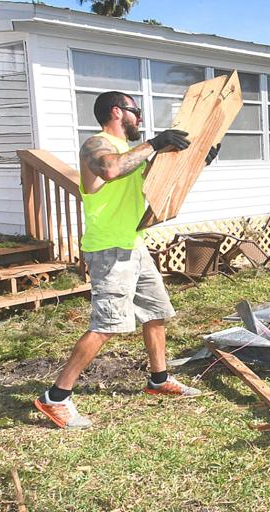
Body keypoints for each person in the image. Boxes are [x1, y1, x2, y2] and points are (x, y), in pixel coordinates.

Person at [33, 91, 201, 430]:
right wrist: (154, 143)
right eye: (135, 111)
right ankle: (56, 397)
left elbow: (160, 178)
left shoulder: (133, 153)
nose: (139, 117)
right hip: (109, 250)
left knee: (156, 314)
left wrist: (199, 157)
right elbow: (110, 170)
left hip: (133, 244)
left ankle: (159, 380)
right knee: (108, 324)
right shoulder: (97, 146)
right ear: (116, 112)